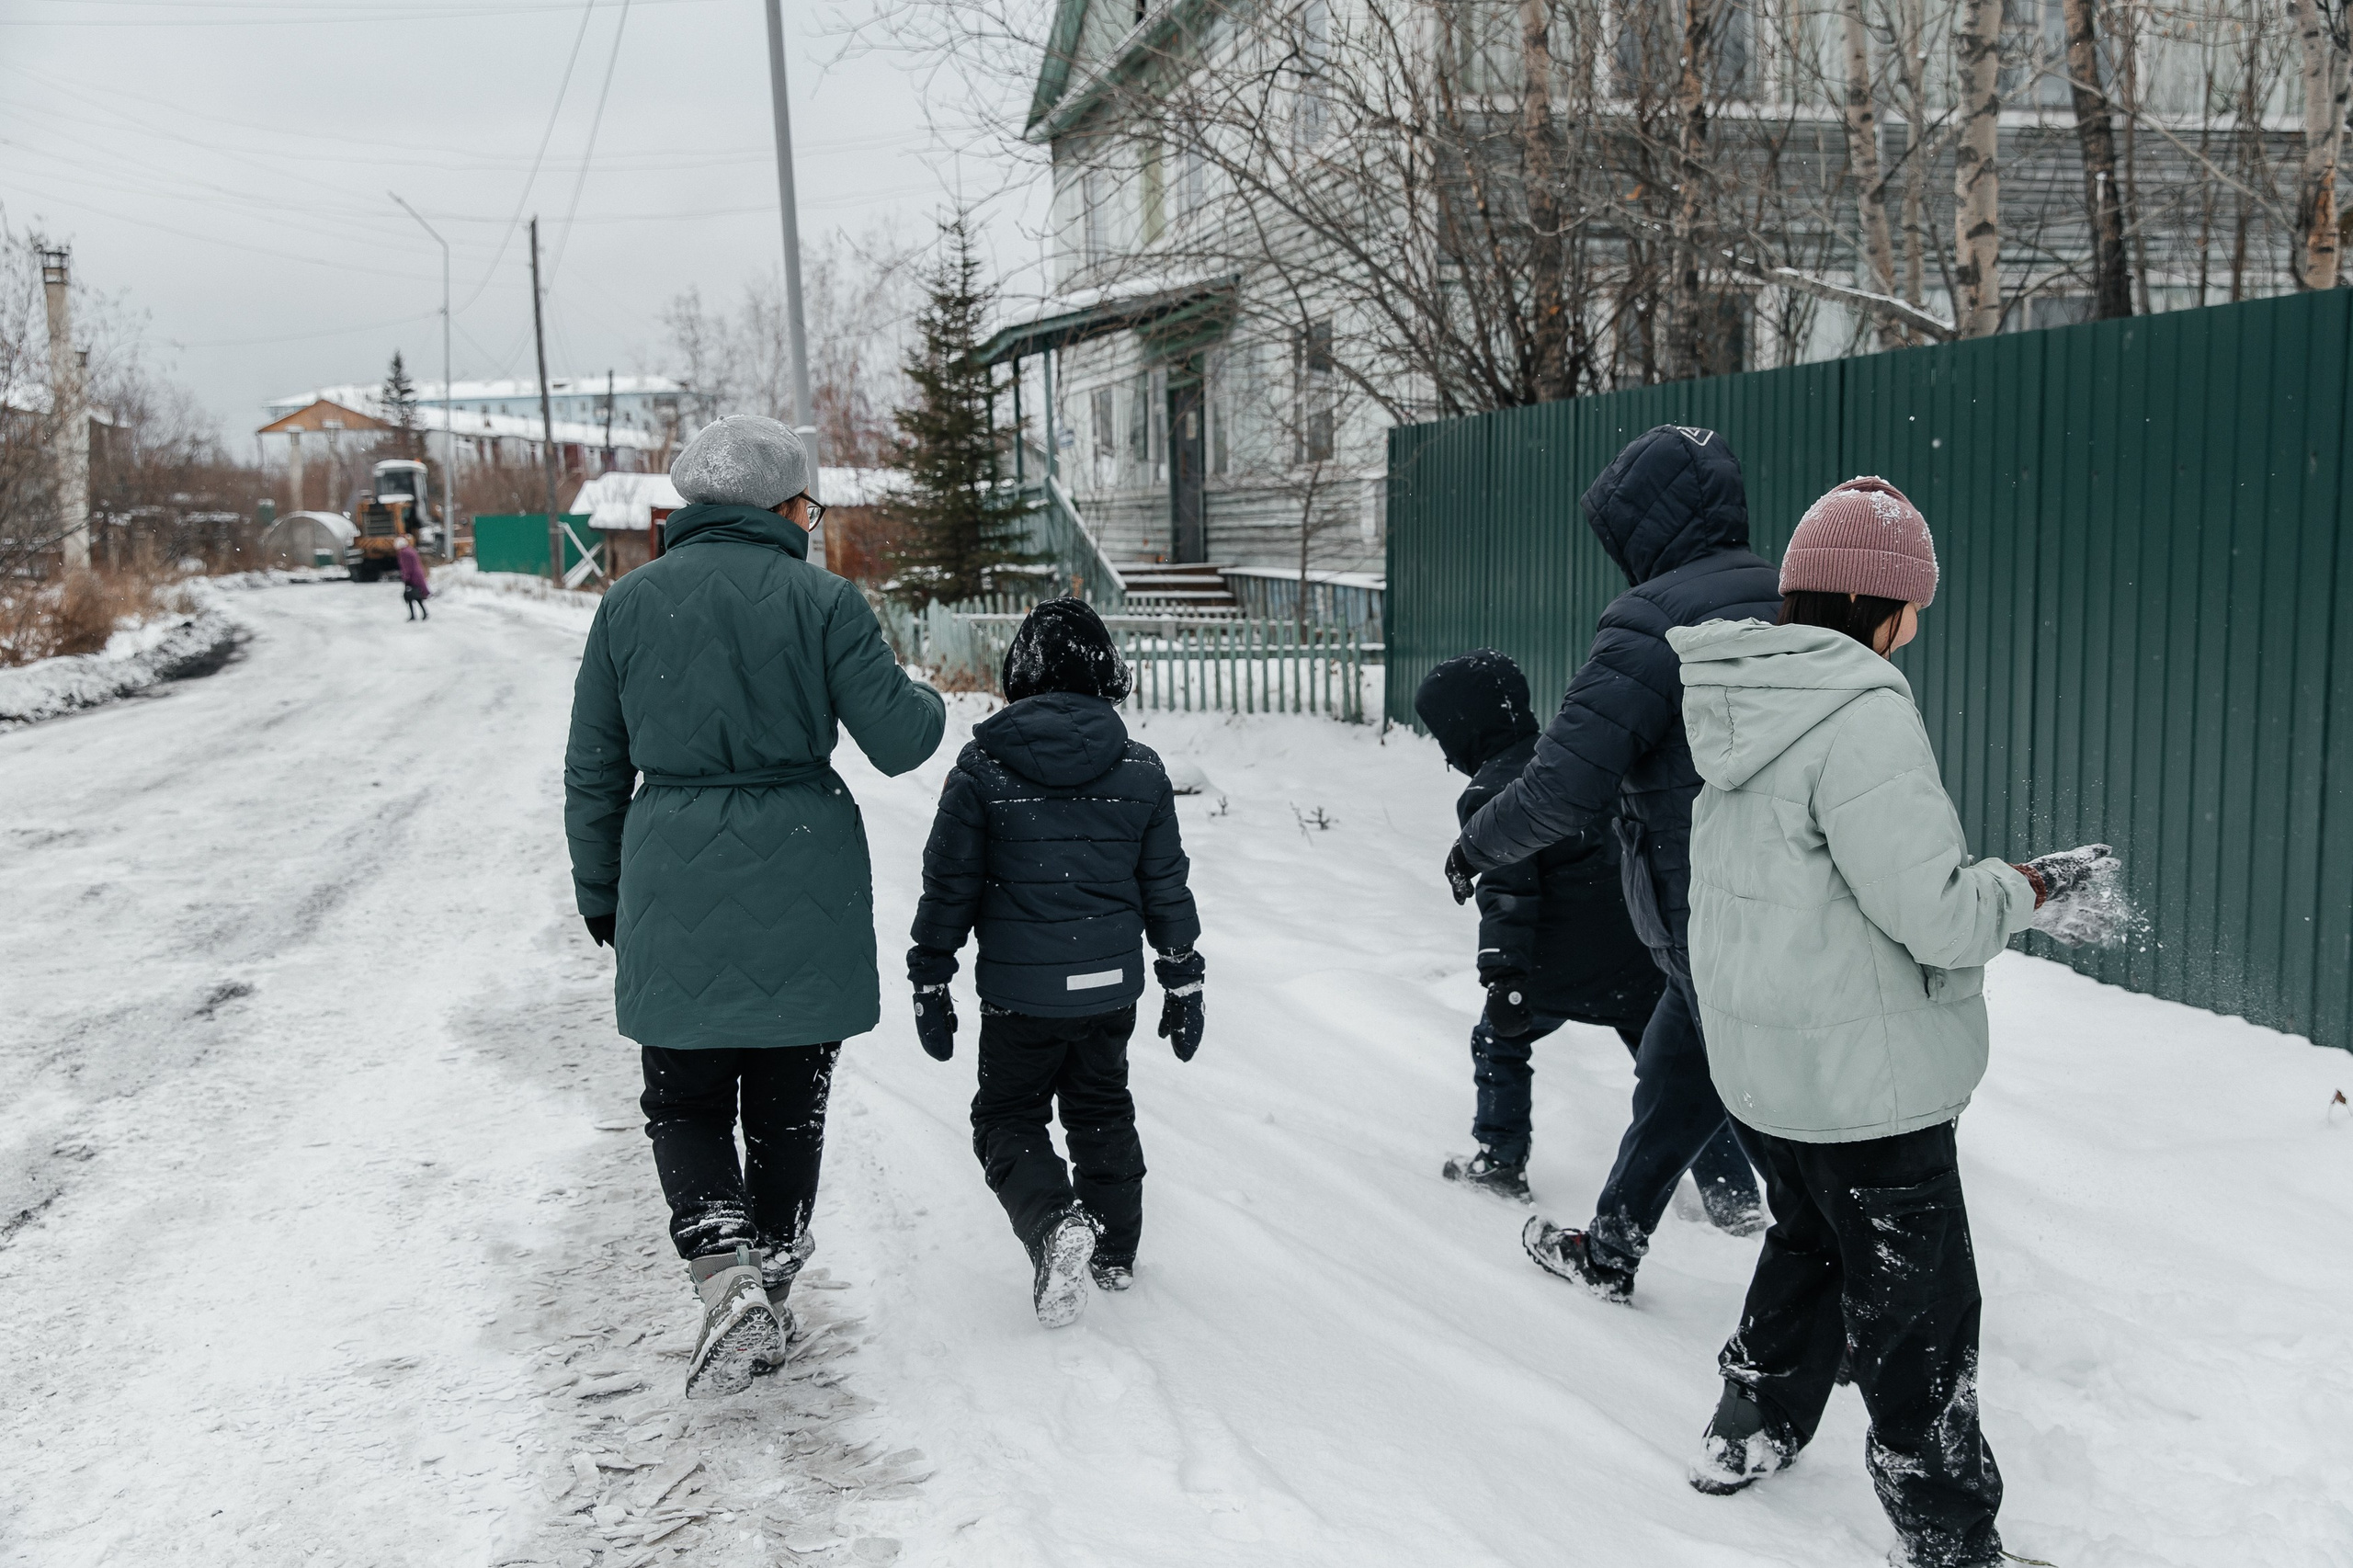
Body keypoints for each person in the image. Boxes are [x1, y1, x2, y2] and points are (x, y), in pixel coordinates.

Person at [1667, 476, 2115, 1568]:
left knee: (1809, 1244)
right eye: (1916, 601)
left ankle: (1750, 1427)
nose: (1920, 621)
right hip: (1867, 1088)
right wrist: (2030, 886)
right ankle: (1950, 1539)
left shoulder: (1743, 700)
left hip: (1770, 1071)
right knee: (1917, 1319)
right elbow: (1939, 917)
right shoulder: (1859, 711)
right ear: (1885, 606)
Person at [564, 415, 945, 1399]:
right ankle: (769, 1274)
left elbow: (595, 768)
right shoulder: (823, 601)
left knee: (682, 1097)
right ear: (782, 507)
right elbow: (903, 740)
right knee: (788, 1100)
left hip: (669, 865)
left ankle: (726, 1277)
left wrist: (602, 892)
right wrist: (924, 688)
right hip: (801, 865)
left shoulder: (626, 604)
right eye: (805, 506)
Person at [1447, 426, 1773, 1301]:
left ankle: (1842, 1309)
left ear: (1642, 526)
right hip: (1781, 903)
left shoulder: (1652, 622)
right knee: (1674, 1072)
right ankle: (1616, 1246)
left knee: (1788, 1122)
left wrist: (1477, 844)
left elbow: (1560, 788)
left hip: (1710, 910)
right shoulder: (1796, 598)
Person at [906, 597, 1202, 1328]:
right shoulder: (1140, 769)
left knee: (1006, 1116)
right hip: (1109, 990)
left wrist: (931, 974)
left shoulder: (981, 769)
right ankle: (1114, 1253)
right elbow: (1165, 884)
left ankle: (1053, 1223)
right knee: (1102, 1109)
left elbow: (950, 885)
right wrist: (1183, 976)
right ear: (1106, 673)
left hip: (1021, 999)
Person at [1415, 649, 1735, 1208]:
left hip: (1553, 967)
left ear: (1460, 731)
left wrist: (1505, 977)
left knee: (1499, 1041)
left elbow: (1507, 894)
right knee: (1679, 1078)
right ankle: (1732, 1195)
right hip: (1642, 956)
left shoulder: (1494, 795)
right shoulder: (1573, 760)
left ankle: (1500, 1160)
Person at [395, 535, 431, 620]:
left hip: (412, 577)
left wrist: (406, 577)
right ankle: (423, 613)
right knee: (417, 596)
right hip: (418, 575)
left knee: (410, 596)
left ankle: (414, 615)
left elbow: (406, 567)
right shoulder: (411, 550)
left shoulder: (404, 553)